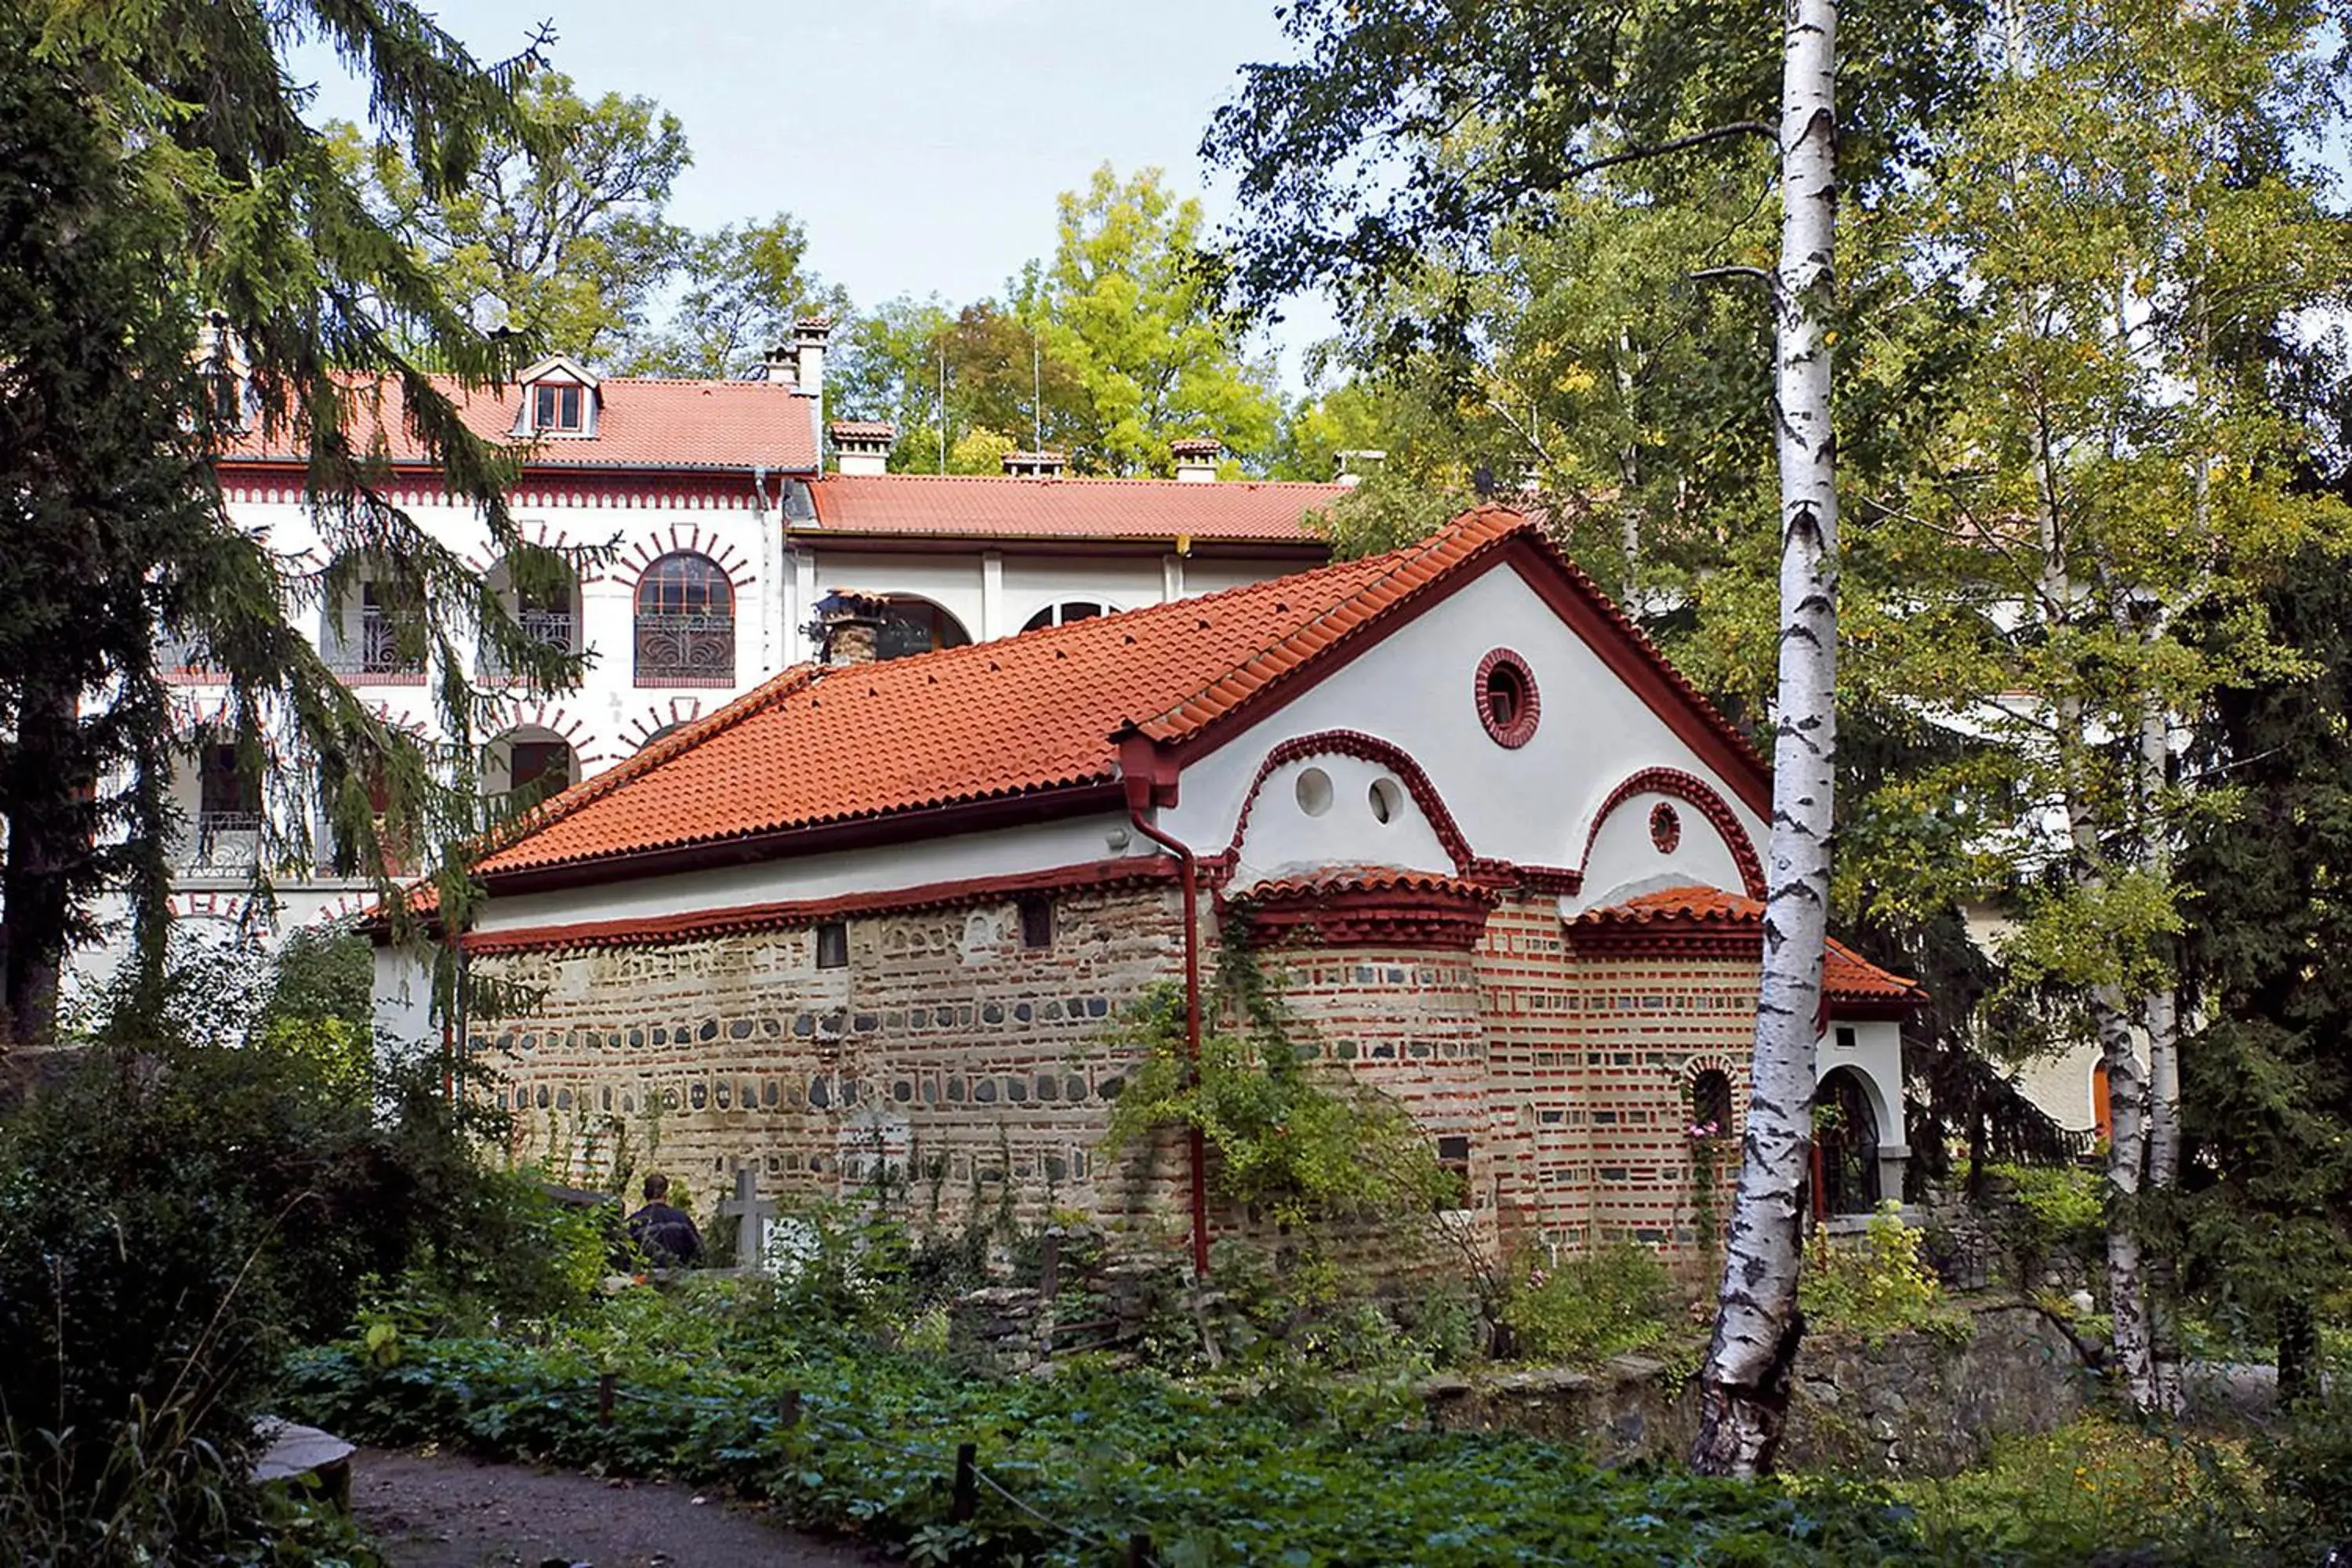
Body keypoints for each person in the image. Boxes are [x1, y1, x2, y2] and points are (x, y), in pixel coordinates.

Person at [626, 1174, 703, 1268]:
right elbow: (699, 1252)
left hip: (645, 1279)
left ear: (645, 1194)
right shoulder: (681, 1219)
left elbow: (625, 1258)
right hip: (679, 1277)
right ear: (665, 1194)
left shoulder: (634, 1222)